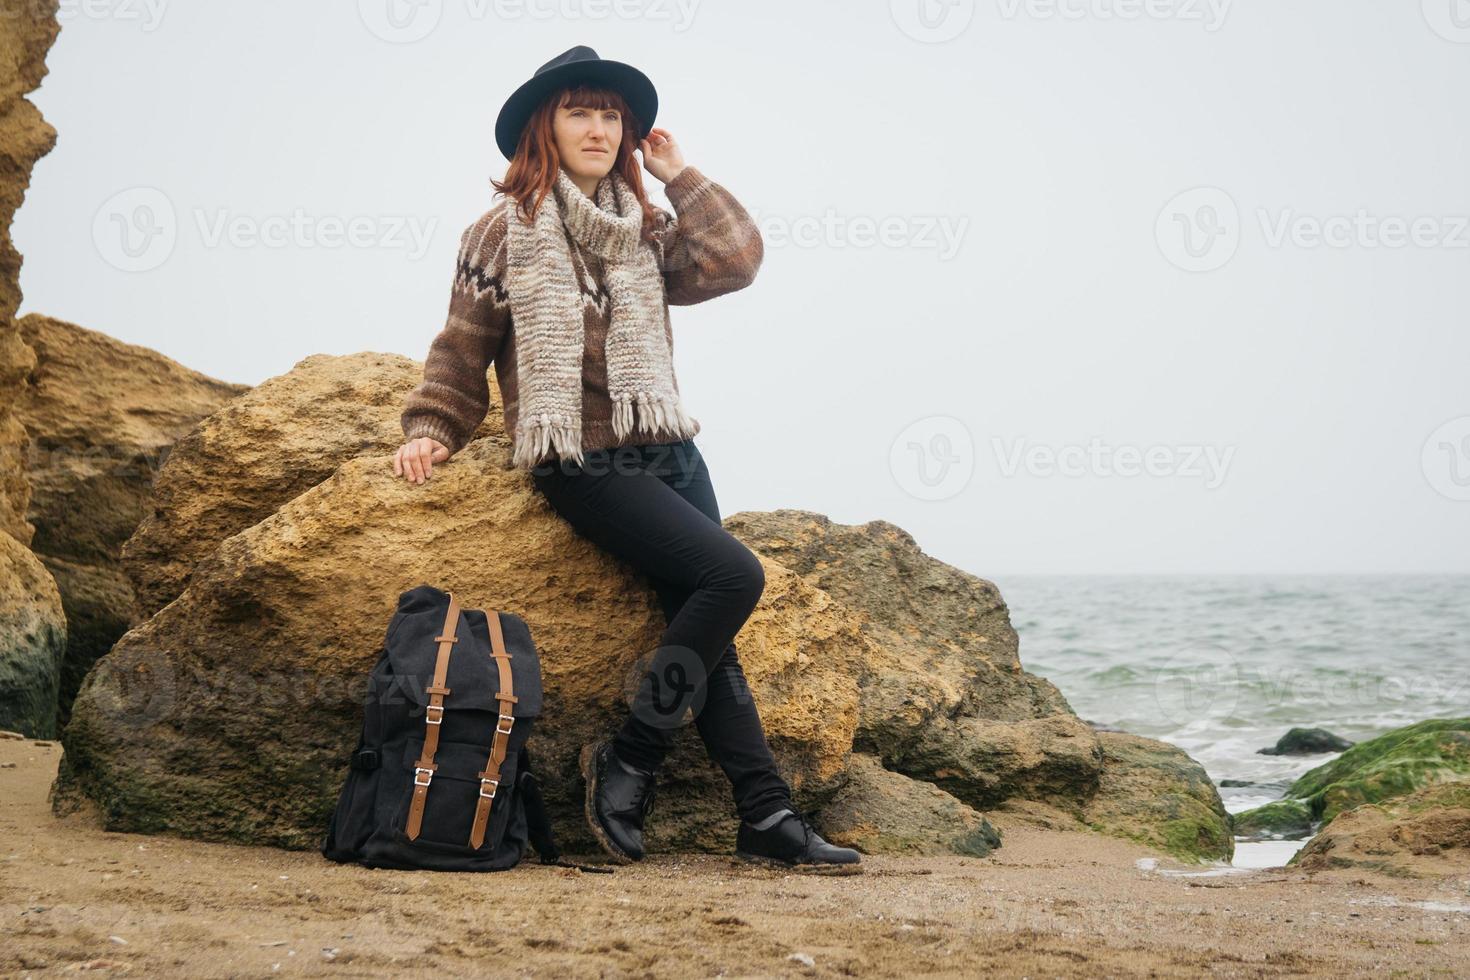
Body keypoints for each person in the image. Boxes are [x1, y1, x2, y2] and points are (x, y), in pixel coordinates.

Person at [391, 45, 859, 872]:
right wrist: (433, 424)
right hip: (580, 456)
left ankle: (766, 815)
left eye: (612, 115)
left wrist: (681, 175)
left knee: (715, 643)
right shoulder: (500, 233)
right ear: (546, 126)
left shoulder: (644, 228)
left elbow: (735, 260)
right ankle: (633, 756)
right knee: (734, 578)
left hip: (671, 451)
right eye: (581, 112)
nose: (600, 128)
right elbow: (462, 348)